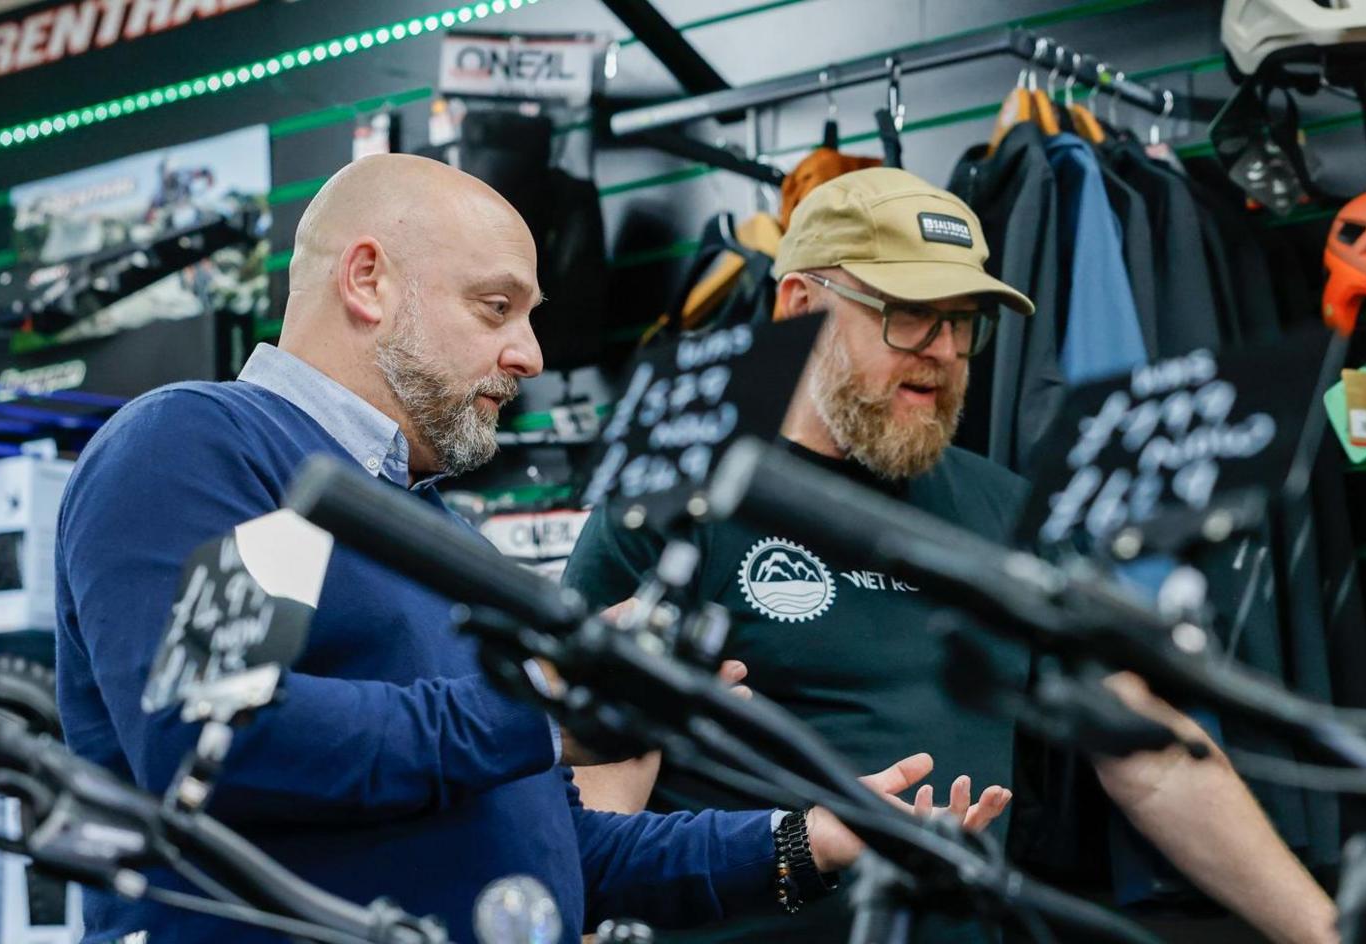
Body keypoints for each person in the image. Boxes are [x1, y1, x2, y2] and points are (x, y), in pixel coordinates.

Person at [53, 154, 1010, 944]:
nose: (531, 355)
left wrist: (808, 842)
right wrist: (550, 708)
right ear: (368, 280)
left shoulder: (428, 526)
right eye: (496, 308)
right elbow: (218, 736)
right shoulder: (214, 447)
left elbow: (553, 849)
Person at [563, 167, 1340, 944]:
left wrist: (1325, 931)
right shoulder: (671, 501)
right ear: (799, 306)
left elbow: (1151, 755)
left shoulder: (1005, 510)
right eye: (907, 315)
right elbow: (601, 800)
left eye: (963, 321)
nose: (943, 351)